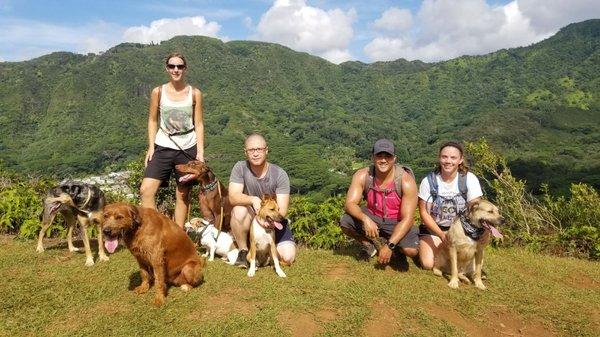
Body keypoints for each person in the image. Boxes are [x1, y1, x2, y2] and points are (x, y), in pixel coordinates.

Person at [139, 52, 204, 228]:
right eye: (172, 66)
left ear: (185, 68)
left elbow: (198, 123)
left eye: (180, 66)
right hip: (163, 144)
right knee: (146, 190)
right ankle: (156, 230)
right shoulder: (158, 92)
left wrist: (200, 152)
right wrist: (151, 146)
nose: (176, 70)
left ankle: (178, 234)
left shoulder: (194, 93)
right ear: (167, 68)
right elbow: (153, 120)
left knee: (183, 194)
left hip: (188, 146)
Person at [339, 139, 419, 266]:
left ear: (394, 158)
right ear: (373, 157)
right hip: (373, 216)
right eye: (379, 156)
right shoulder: (362, 175)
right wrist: (365, 219)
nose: (383, 160)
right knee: (346, 222)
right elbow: (350, 204)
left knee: (411, 250)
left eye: (388, 156)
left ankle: (395, 250)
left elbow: (408, 219)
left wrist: (390, 245)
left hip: (396, 221)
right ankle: (369, 245)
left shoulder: (406, 181)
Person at [228, 133, 296, 268]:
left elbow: (282, 211)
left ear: (266, 150)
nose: (255, 153)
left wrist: (268, 219)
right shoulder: (240, 167)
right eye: (251, 150)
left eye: (259, 149)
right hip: (252, 218)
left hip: (274, 221)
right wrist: (253, 199)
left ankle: (266, 251)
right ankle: (243, 251)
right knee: (238, 210)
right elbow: (233, 197)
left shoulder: (279, 174)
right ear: (245, 152)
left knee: (288, 257)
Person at [417, 141, 483, 270]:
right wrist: (441, 234)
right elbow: (424, 213)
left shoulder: (469, 179)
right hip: (435, 229)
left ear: (460, 160)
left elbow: (476, 210)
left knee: (461, 261)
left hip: (462, 230)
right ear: (439, 158)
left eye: (453, 158)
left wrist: (484, 231)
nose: (448, 161)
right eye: (444, 157)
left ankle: (460, 263)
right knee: (427, 264)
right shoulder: (428, 181)